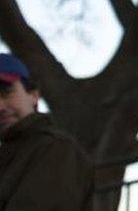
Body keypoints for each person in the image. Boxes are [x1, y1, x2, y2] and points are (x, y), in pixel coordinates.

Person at [0, 52, 94, 210]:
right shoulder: (9, 154)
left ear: (33, 95)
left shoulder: (57, 149)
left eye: (7, 92)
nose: (0, 107)